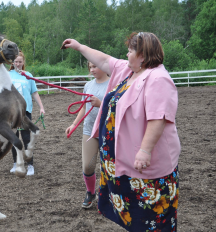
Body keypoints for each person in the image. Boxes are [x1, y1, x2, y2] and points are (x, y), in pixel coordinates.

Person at [62, 32, 181, 231]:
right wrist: (79, 46)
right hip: (124, 163)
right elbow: (105, 59)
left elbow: (158, 119)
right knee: (136, 218)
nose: (126, 55)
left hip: (144, 167)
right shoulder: (129, 71)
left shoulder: (158, 78)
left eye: (130, 51)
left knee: (151, 218)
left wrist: (145, 150)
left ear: (142, 55)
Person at [65, 62, 109, 209]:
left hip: (107, 130)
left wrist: (101, 103)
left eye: (95, 66)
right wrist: (74, 124)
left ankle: (110, 194)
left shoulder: (113, 84)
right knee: (88, 166)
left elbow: (118, 107)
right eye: (90, 67)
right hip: (89, 130)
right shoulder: (88, 86)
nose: (91, 69)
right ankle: (90, 192)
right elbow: (84, 107)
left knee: (108, 166)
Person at [9, 51, 45, 176]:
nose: (18, 64)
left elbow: (34, 92)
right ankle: (16, 163)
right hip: (12, 112)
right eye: (16, 62)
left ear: (23, 62)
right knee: (14, 139)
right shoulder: (8, 75)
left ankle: (30, 165)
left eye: (20, 61)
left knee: (26, 139)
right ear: (12, 62)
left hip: (25, 112)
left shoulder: (28, 75)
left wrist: (41, 107)